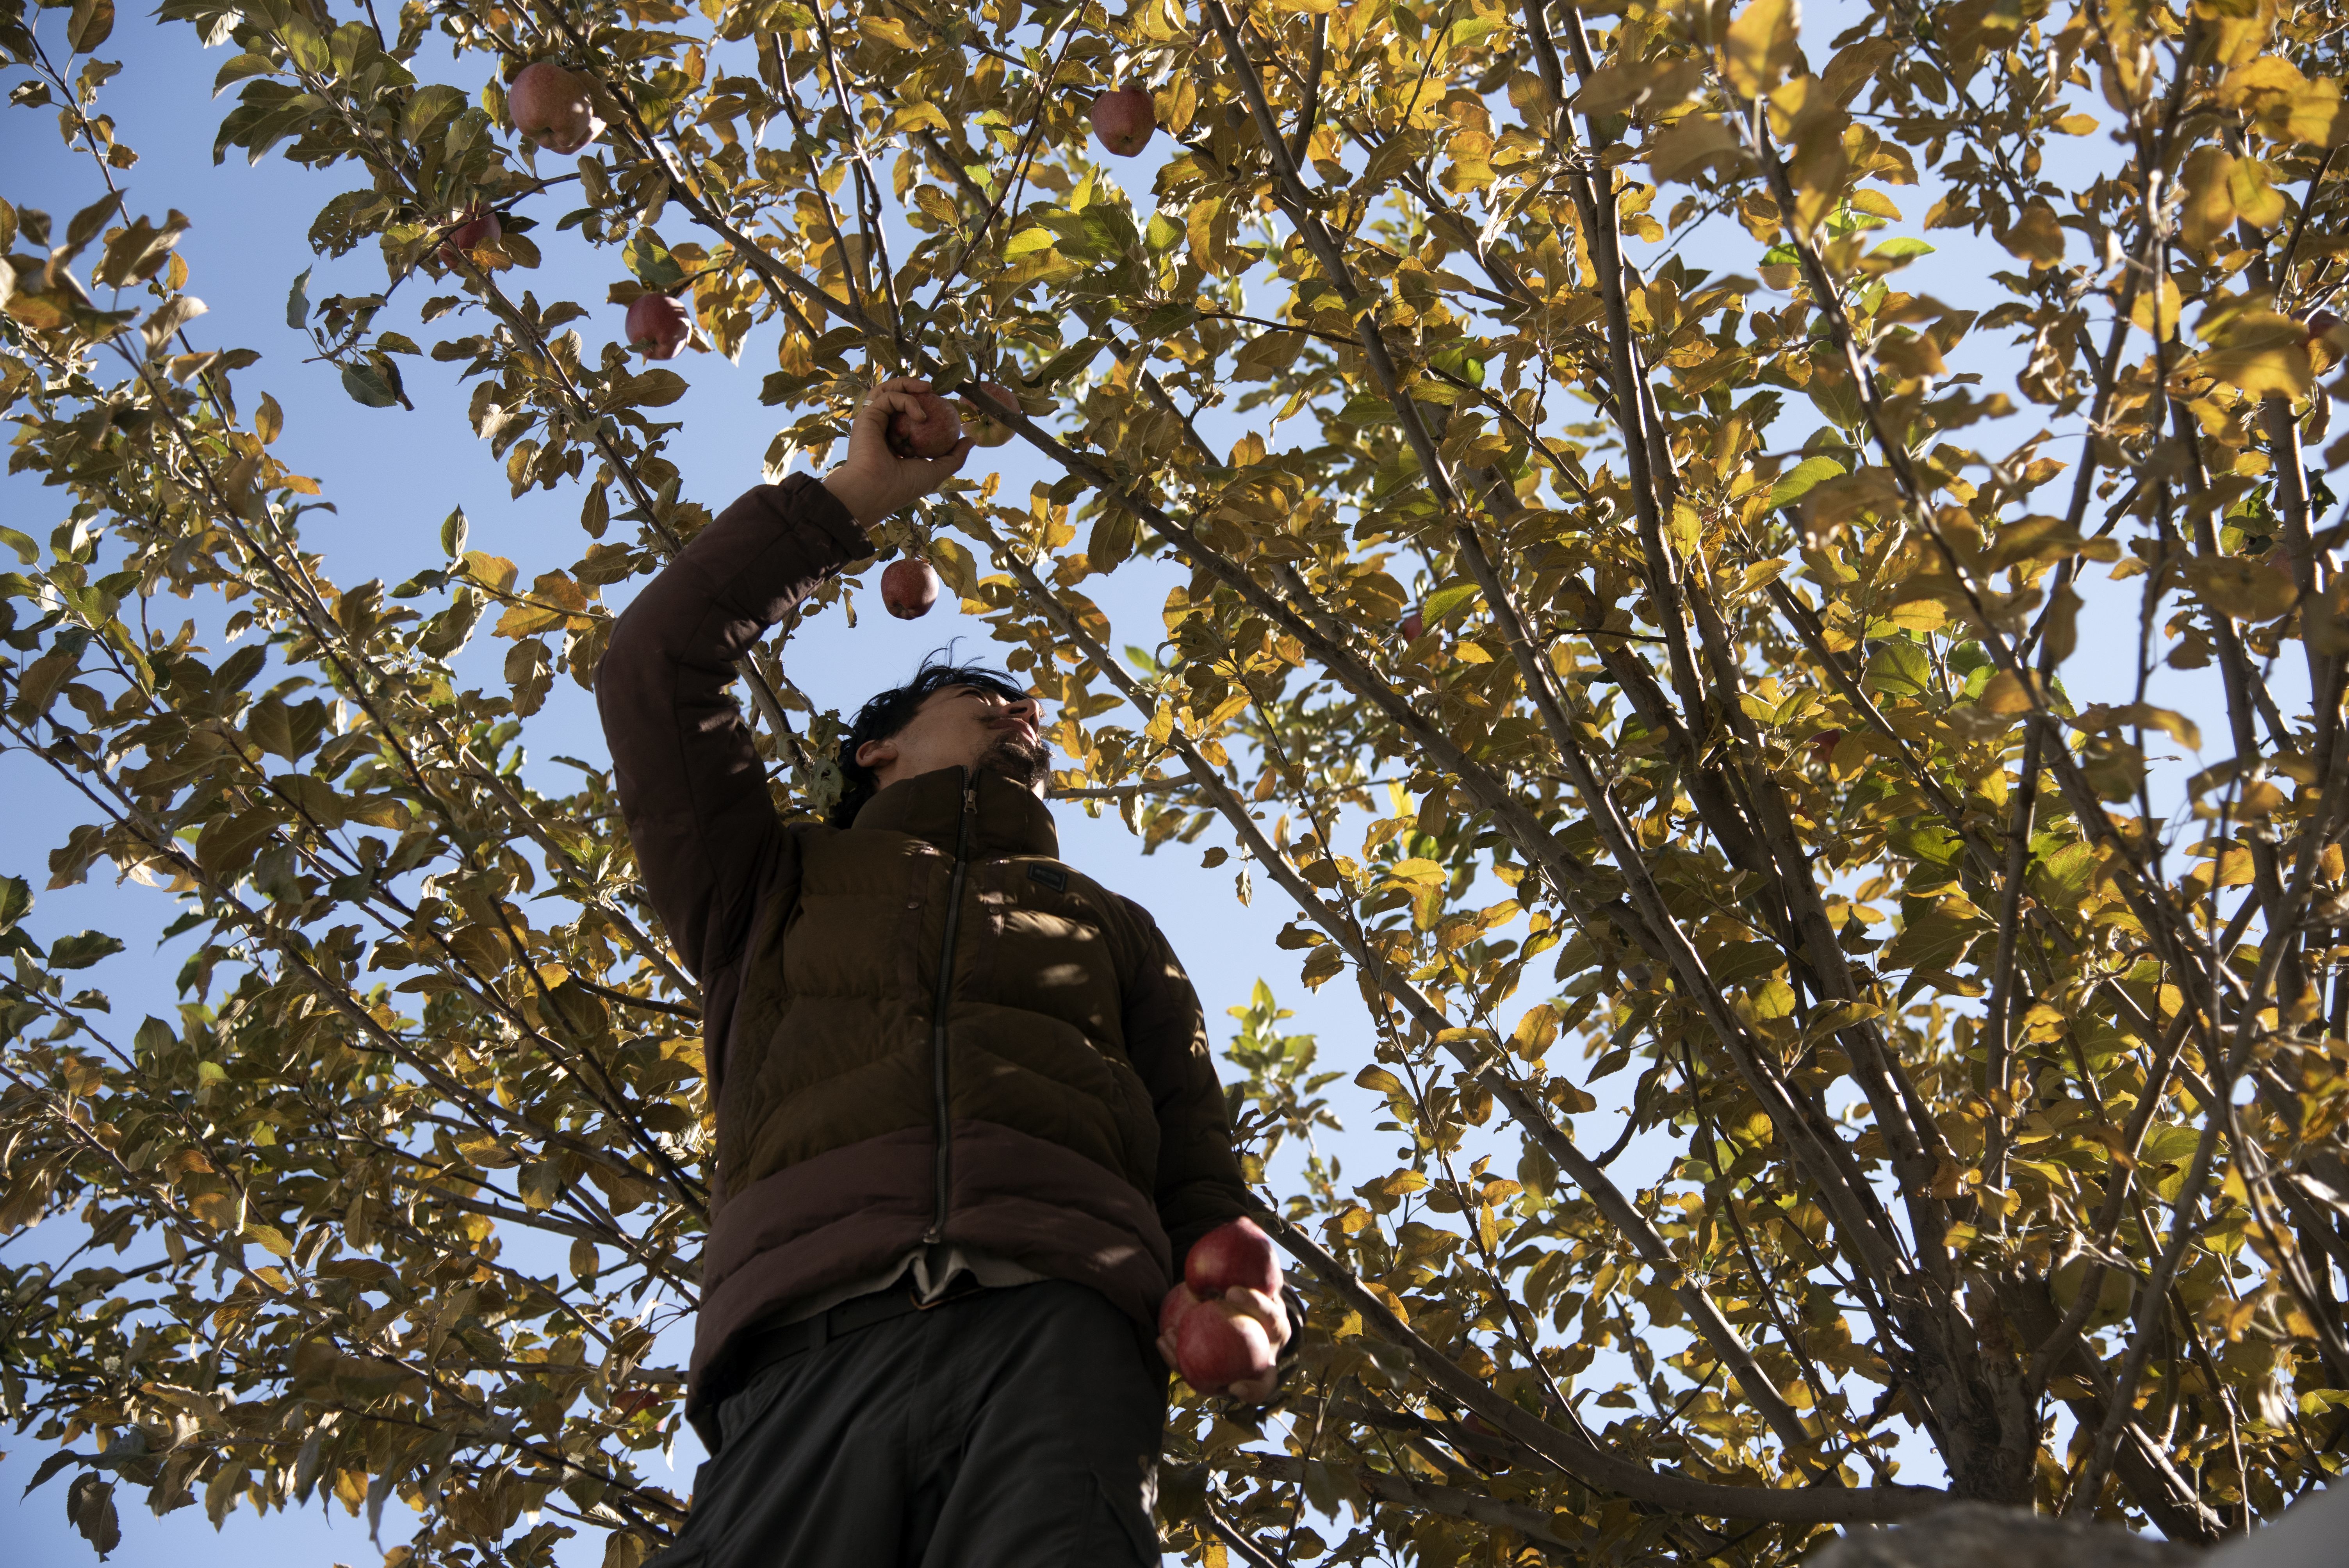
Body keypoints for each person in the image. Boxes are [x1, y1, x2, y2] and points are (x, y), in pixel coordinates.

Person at [596, 378, 1296, 1566]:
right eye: (985, 697)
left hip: (1058, 1338)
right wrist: (855, 494)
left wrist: (1239, 1292)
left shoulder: (1105, 924)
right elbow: (654, 668)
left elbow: (1193, 1158)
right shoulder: (768, 886)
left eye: (1031, 713)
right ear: (875, 751)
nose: (1022, 714)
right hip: (806, 1349)